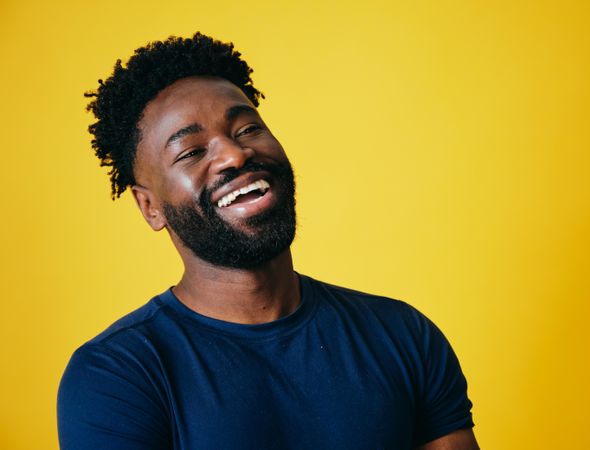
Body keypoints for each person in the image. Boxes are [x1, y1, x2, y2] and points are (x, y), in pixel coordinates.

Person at [57, 32, 479, 450]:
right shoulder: (117, 375)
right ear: (151, 207)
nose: (234, 154)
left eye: (247, 129)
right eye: (191, 151)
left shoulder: (402, 335)